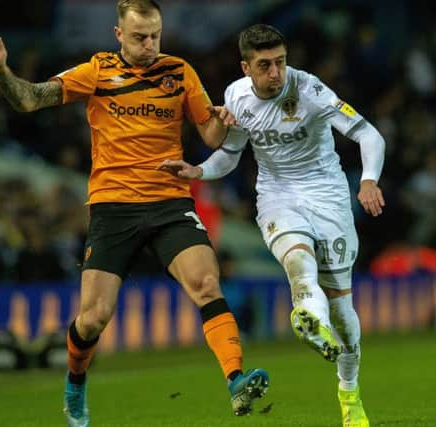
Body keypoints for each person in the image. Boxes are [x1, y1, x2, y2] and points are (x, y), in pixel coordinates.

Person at [0, 2, 269, 426]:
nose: (149, 45)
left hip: (169, 200)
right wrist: (1, 71)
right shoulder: (97, 72)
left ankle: (236, 380)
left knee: (206, 282)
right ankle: (75, 381)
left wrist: (226, 118)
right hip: (113, 208)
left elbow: (209, 133)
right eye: (139, 37)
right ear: (118, 35)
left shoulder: (180, 72)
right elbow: (29, 99)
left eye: (154, 35)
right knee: (94, 318)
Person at [159, 23, 385, 427]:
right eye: (264, 65)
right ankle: (307, 317)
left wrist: (368, 178)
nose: (276, 73)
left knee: (344, 314)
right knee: (298, 264)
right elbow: (230, 155)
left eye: (280, 62)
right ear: (246, 67)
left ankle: (348, 392)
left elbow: (369, 135)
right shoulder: (235, 97)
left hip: (327, 194)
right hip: (278, 195)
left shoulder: (311, 90)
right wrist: (198, 171)